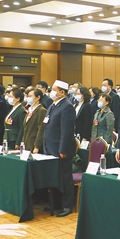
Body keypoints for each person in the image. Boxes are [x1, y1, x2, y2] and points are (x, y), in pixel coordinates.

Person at [43, 80, 76, 217]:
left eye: (54, 90)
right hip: (50, 147)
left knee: (65, 178)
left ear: (62, 92)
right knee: (54, 176)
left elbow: (66, 131)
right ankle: (55, 203)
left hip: (60, 149)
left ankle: (67, 205)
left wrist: (63, 149)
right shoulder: (53, 105)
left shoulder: (67, 107)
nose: (51, 92)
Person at [17, 88, 46, 153]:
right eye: (27, 96)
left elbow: (41, 129)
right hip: (26, 142)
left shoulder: (41, 110)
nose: (28, 98)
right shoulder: (29, 109)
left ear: (38, 97)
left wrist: (37, 146)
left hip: (33, 143)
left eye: (30, 96)